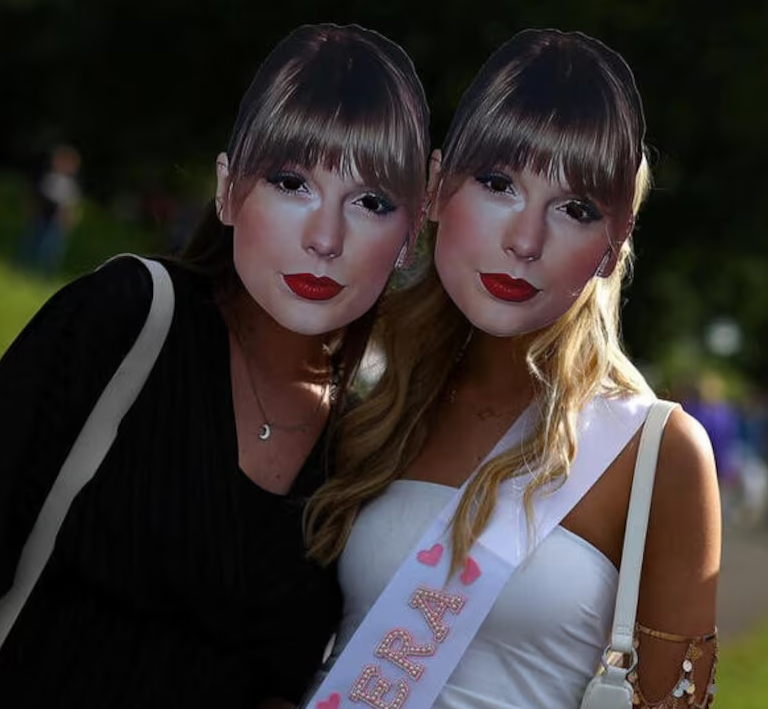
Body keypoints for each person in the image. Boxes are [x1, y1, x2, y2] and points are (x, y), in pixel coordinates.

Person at [0, 23, 429, 709]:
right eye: (291, 181)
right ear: (228, 190)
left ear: (408, 235)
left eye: (371, 202)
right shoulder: (126, 315)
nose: (326, 237)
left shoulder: (359, 444)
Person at [305, 29, 720, 709]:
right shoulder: (373, 412)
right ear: (437, 189)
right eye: (499, 183)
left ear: (613, 249)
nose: (525, 241)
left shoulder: (656, 453)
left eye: (575, 209)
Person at [17, 144, 83, 277]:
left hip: (57, 221)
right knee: (32, 242)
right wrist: (31, 209)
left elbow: (72, 205)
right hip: (42, 215)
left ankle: (45, 273)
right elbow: (36, 195)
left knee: (51, 249)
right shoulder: (49, 177)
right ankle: (23, 268)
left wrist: (69, 220)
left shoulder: (70, 183)